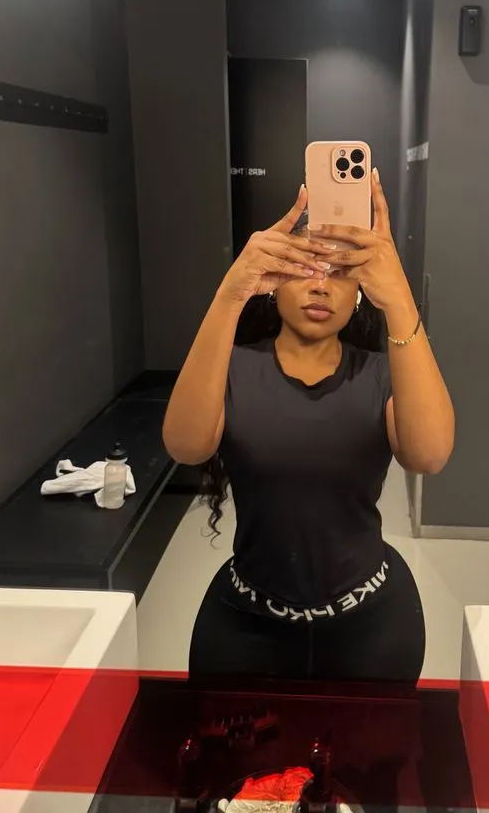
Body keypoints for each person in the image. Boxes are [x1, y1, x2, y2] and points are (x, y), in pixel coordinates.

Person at [163, 169, 454, 684]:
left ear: (359, 290)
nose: (321, 284)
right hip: (246, 624)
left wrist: (399, 298)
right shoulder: (232, 368)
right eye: (304, 266)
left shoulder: (383, 374)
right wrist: (231, 293)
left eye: (340, 272)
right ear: (275, 279)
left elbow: (428, 455)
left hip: (373, 625)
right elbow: (187, 446)